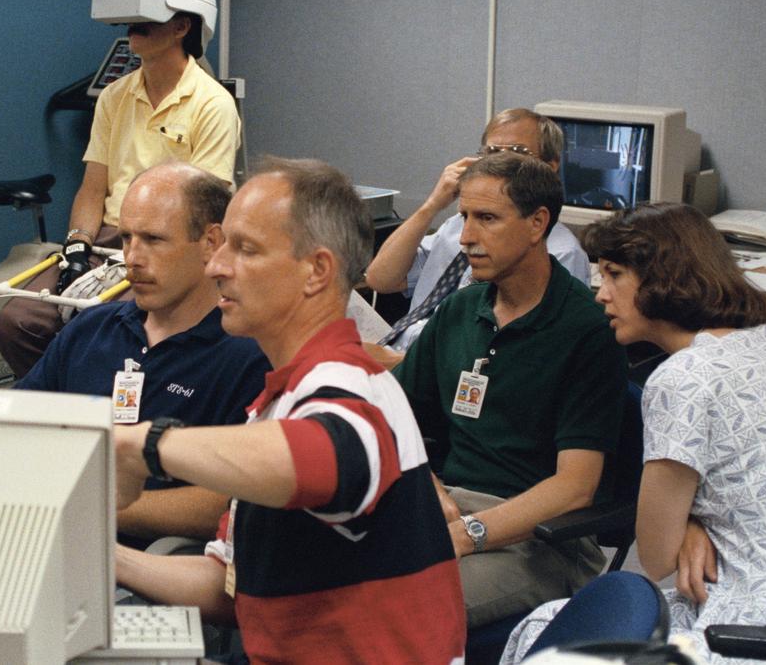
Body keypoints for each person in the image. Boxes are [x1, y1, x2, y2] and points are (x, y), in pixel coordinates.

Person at [502, 203, 766, 663]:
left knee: (556, 638)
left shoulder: (682, 380)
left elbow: (654, 557)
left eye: (613, 275)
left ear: (661, 278)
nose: (600, 294)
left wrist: (686, 524)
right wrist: (693, 521)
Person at [112, 157, 465, 664]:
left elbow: (324, 456)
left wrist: (145, 444)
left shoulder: (351, 387)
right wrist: (105, 557)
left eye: (245, 249)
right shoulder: (284, 397)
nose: (217, 266)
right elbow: (229, 584)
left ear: (316, 272)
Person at [393, 151, 628, 628]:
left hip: (536, 538)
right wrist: (430, 488)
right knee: (313, 574)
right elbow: (396, 418)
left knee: (395, 611)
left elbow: (575, 488)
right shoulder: (460, 311)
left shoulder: (586, 328)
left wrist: (465, 534)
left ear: (537, 223)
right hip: (443, 508)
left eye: (487, 219)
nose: (466, 238)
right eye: (463, 217)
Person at [0, 0, 241, 378]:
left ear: (182, 26)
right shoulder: (114, 96)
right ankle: (64, 407)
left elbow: (207, 209)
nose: (132, 32)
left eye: (144, 24)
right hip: (107, 239)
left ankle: (115, 417)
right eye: (130, 24)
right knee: (18, 320)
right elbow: (93, 190)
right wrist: (76, 246)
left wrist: (151, 248)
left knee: (108, 325)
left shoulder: (212, 104)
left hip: (169, 243)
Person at [18, 163, 268, 545]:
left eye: (153, 240)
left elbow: (232, 503)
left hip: (150, 565)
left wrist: (93, 506)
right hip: (44, 539)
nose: (132, 258)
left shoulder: (247, 355)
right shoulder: (90, 330)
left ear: (211, 242)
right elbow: (16, 428)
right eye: (126, 239)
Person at [366, 108, 589, 366]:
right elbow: (379, 279)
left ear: (550, 167)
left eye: (516, 153)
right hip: (401, 350)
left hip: (437, 373)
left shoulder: (560, 254)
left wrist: (403, 363)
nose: (467, 237)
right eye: (491, 153)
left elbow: (525, 358)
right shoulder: (456, 226)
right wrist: (432, 205)